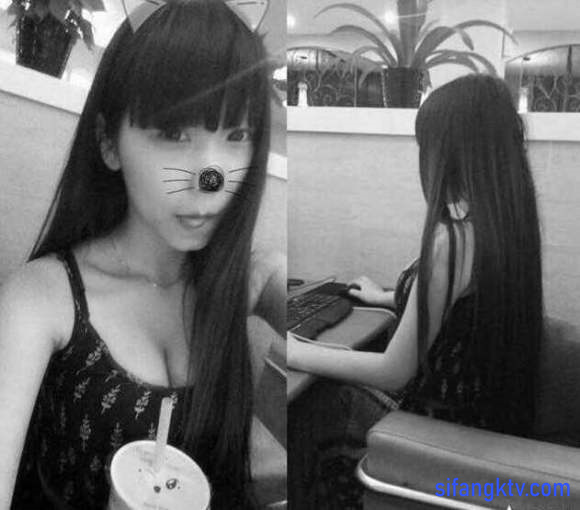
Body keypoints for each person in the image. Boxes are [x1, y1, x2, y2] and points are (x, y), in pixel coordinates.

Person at [0, 1, 285, 508]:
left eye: (237, 135)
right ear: (109, 142)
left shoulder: (240, 283)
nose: (210, 178)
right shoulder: (40, 300)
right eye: (174, 134)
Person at [288, 74, 544, 508]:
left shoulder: (453, 240)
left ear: (450, 151)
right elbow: (464, 313)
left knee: (315, 397)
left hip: (437, 428)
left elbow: (395, 372)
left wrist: (298, 352)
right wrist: (389, 297)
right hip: (482, 417)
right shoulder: (505, 224)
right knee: (339, 362)